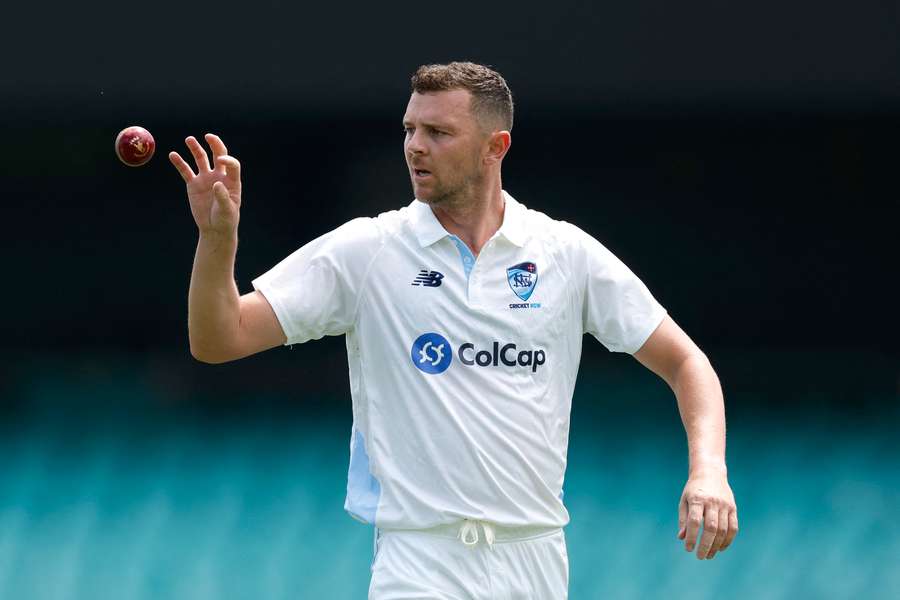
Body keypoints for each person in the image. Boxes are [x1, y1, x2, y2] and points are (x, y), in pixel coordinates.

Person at [169, 61, 738, 599]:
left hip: (534, 559)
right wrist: (218, 241)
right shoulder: (368, 249)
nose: (415, 146)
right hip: (419, 560)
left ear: (496, 147)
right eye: (409, 129)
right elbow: (221, 339)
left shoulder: (565, 253)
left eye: (438, 132)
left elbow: (687, 362)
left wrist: (708, 471)